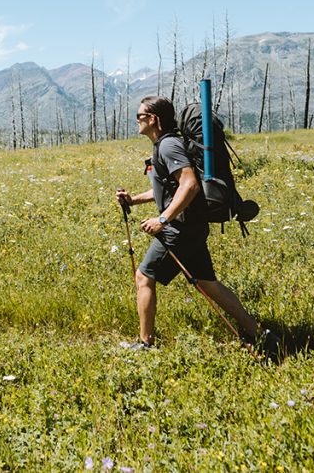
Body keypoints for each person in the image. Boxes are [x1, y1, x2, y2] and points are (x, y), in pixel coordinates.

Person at [115, 95, 280, 355]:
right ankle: (261, 335)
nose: (137, 121)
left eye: (140, 116)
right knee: (208, 284)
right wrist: (133, 200)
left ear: (153, 119)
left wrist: (162, 219)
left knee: (144, 276)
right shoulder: (164, 145)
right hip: (191, 226)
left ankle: (145, 343)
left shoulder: (168, 146)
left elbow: (189, 184)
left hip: (179, 229)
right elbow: (168, 188)